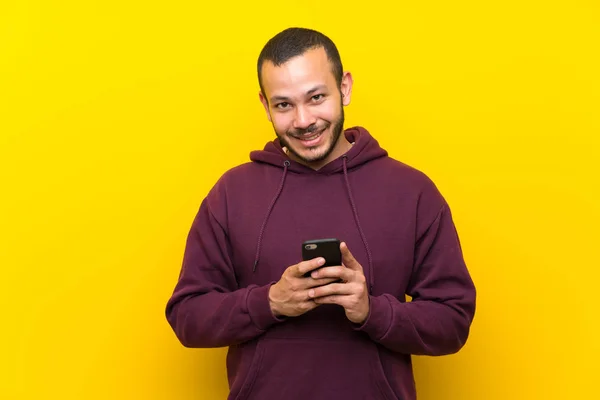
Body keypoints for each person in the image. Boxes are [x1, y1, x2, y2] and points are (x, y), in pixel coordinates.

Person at [165, 27, 476, 400]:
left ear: (344, 87)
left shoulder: (412, 192)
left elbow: (453, 322)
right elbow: (187, 317)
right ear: (264, 105)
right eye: (283, 105)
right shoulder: (232, 193)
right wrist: (269, 303)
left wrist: (371, 311)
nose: (302, 120)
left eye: (315, 97)